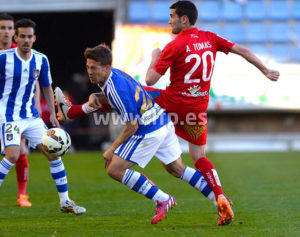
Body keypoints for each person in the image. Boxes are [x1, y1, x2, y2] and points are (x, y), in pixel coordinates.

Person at [55, 1, 280, 225]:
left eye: (172, 16)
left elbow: (150, 79)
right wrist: (266, 70)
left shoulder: (175, 45)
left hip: (173, 103)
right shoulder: (210, 38)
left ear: (184, 19)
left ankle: (73, 112)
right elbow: (243, 50)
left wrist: (155, 56)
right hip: (198, 108)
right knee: (195, 159)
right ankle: (219, 195)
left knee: (134, 92)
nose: (169, 20)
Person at [72, 43, 222, 224]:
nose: (89, 72)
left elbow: (131, 126)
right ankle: (219, 200)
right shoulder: (114, 76)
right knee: (177, 168)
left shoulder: (115, 88)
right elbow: (120, 97)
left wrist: (112, 149)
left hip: (149, 129)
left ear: (106, 68)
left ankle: (162, 199)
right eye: (88, 67)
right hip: (162, 121)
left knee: (115, 169)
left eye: (94, 68)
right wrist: (97, 96)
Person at [0, 18, 85, 214]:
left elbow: (47, 86)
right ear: (16, 37)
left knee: (52, 152)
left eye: (30, 36)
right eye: (22, 36)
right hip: (9, 116)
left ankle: (65, 201)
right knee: (13, 155)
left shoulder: (41, 59)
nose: (26, 40)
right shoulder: (4, 58)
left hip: (31, 117)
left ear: (34, 38)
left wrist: (54, 116)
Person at [0, 13, 35, 207]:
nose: (6, 32)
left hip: (12, 113)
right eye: (2, 28)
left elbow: (34, 82)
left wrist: (35, 106)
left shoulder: (20, 53)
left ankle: (22, 195)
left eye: (9, 28)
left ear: (14, 32)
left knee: (20, 151)